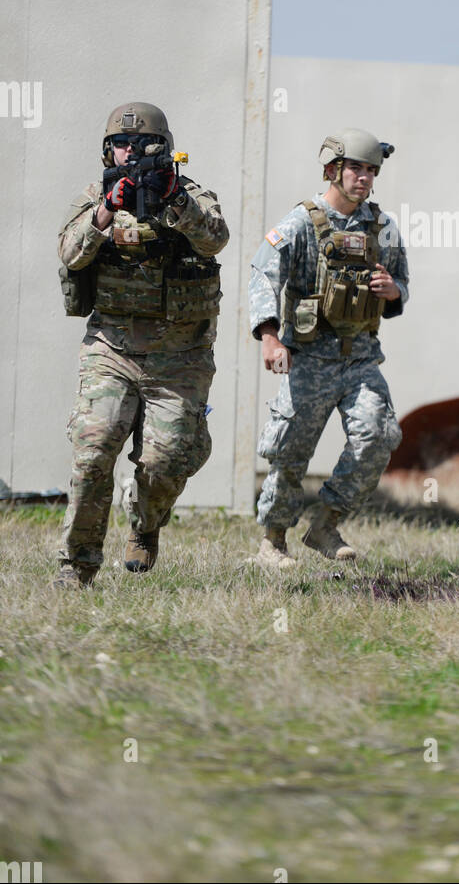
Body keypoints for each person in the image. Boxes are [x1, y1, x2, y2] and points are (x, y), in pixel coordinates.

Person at [55, 102, 229, 587]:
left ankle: (145, 526)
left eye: (140, 144)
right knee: (93, 453)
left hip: (181, 355)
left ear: (164, 148)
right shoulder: (96, 196)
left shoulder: (191, 193)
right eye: (119, 145)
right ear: (107, 151)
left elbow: (216, 239)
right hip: (111, 350)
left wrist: (176, 201)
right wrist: (107, 210)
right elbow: (69, 253)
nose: (129, 152)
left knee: (168, 459)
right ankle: (78, 566)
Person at [249, 128, 408, 567]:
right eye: (356, 167)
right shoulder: (301, 222)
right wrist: (268, 335)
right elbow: (264, 274)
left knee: (378, 436)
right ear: (332, 170)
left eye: (371, 170)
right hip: (309, 359)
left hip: (360, 359)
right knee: (290, 450)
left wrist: (394, 291)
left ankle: (325, 524)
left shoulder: (383, 228)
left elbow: (403, 283)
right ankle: (273, 542)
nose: (364, 178)